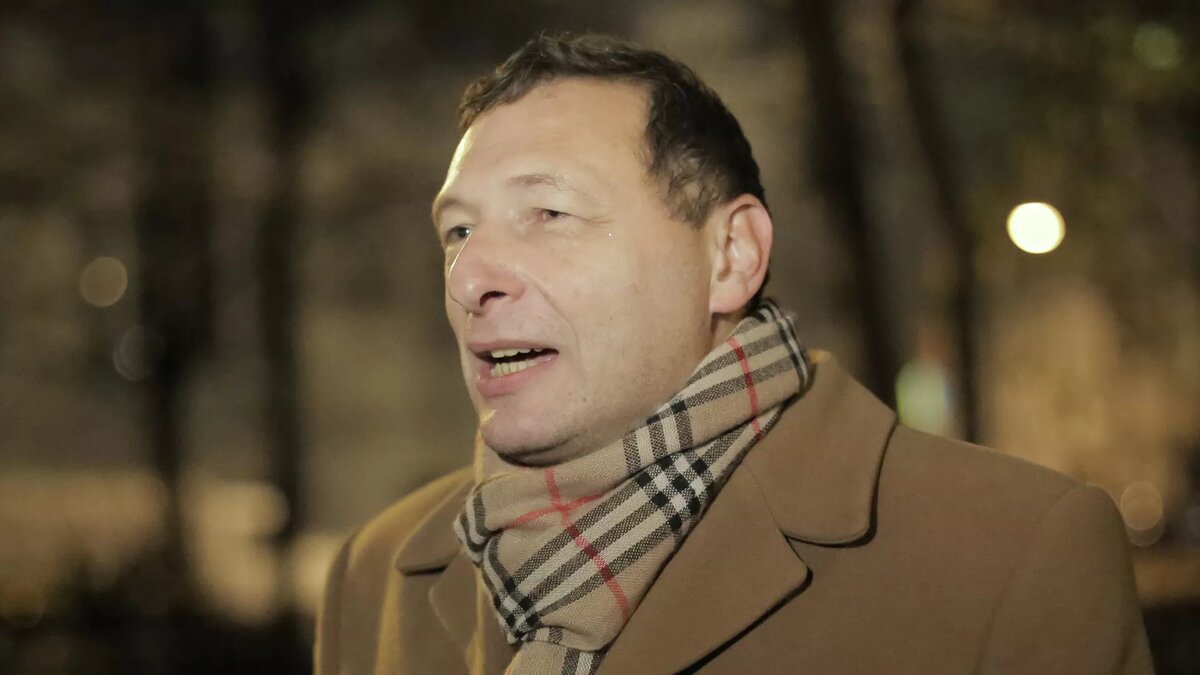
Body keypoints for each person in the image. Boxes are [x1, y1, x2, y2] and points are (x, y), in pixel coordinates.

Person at [314, 34, 1152, 675]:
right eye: (458, 231)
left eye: (550, 214)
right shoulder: (373, 577)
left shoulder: (1014, 554)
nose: (471, 277)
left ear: (731, 256)